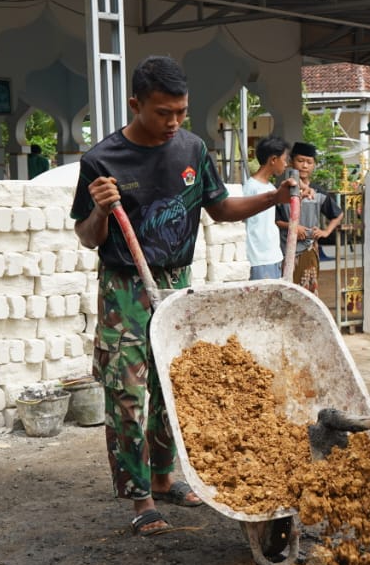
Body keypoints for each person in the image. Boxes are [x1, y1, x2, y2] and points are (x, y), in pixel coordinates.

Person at [71, 55, 297, 537]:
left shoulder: (192, 149)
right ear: (135, 104)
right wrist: (102, 212)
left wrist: (272, 199)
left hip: (178, 283)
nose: (173, 122)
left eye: (181, 112)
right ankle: (140, 498)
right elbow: (88, 237)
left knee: (174, 388)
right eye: (162, 112)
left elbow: (221, 208)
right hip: (126, 287)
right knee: (129, 395)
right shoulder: (102, 160)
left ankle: (165, 476)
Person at [275, 141, 342, 292]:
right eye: (300, 161)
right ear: (291, 162)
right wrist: (293, 227)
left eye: (309, 162)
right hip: (285, 249)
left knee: (309, 292)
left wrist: (326, 232)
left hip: (310, 250)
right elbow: (275, 220)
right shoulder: (282, 190)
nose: (304, 166)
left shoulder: (318, 192)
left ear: (313, 165)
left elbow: (338, 214)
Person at [243, 136, 289, 280]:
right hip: (258, 258)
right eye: (284, 159)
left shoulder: (269, 187)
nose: (286, 164)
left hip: (273, 256)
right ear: (274, 160)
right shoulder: (251, 188)